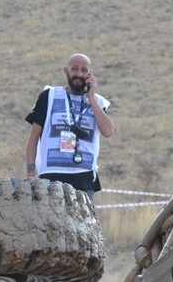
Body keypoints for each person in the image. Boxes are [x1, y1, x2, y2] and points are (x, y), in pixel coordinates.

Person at [25, 53, 115, 195]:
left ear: (90, 74)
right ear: (66, 71)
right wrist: (30, 175)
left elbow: (108, 131)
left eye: (84, 70)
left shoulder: (97, 101)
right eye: (74, 69)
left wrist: (91, 97)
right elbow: (33, 138)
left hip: (84, 176)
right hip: (51, 175)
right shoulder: (49, 96)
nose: (79, 74)